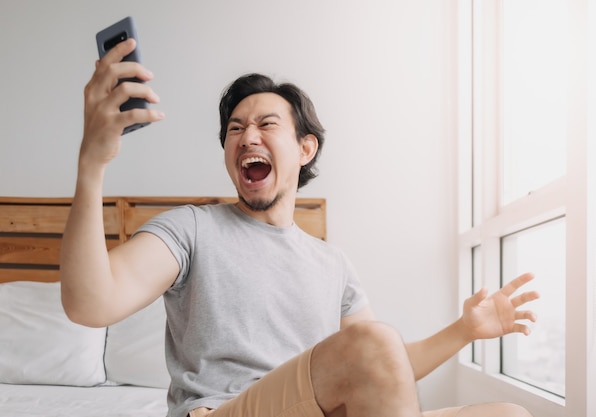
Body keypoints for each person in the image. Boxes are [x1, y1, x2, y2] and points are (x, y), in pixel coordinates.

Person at [60, 38, 540, 417]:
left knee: (507, 412)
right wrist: (91, 162)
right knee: (371, 344)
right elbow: (90, 302)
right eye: (234, 128)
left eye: (267, 124)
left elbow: (384, 370)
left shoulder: (332, 263)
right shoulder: (192, 229)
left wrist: (464, 329)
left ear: (305, 148)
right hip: (226, 411)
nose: (247, 135)